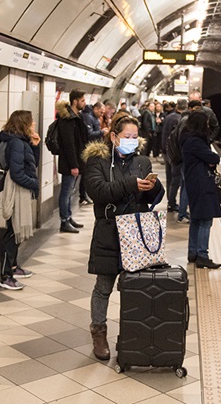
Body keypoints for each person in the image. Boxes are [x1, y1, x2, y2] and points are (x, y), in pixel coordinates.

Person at [82, 112, 163, 360]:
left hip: (135, 232)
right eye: (127, 136)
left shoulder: (142, 162)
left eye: (135, 137)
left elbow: (152, 198)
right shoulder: (98, 161)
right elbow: (98, 191)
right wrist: (130, 184)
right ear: (114, 137)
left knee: (135, 287)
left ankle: (133, 333)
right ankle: (99, 332)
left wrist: (154, 188)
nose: (132, 141)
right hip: (109, 232)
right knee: (104, 286)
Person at [0, 111, 39, 290]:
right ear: (23, 124)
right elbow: (17, 174)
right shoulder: (16, 143)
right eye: (31, 121)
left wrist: (35, 145)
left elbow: (31, 164)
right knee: (12, 233)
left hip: (20, 190)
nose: (34, 123)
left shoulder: (21, 142)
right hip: (15, 192)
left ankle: (13, 267)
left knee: (15, 232)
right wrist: (34, 184)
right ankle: (5, 275)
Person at [181, 111, 221, 269]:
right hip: (201, 183)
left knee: (196, 219)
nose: (208, 126)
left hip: (194, 182)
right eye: (206, 123)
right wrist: (212, 159)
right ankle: (202, 255)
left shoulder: (188, 139)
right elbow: (213, 158)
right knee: (205, 220)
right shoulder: (195, 141)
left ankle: (193, 253)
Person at [56, 90, 89, 233]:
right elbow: (69, 145)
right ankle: (64, 221)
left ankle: (69, 217)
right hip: (69, 163)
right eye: (82, 100)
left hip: (76, 161)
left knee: (69, 192)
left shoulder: (76, 117)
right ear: (75, 101)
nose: (84, 103)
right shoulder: (67, 119)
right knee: (66, 191)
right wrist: (74, 165)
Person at [162, 98, 185, 212]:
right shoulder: (180, 120)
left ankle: (169, 200)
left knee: (169, 177)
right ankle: (172, 202)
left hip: (166, 152)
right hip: (175, 154)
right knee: (176, 179)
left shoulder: (168, 117)